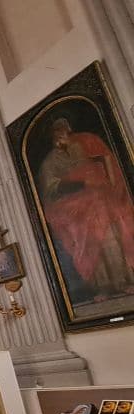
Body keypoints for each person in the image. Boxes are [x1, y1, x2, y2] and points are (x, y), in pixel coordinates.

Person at [37, 117, 134, 300]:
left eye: (64, 130)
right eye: (57, 131)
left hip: (102, 203)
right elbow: (51, 188)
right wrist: (81, 183)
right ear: (52, 136)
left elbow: (103, 161)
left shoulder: (82, 146)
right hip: (78, 213)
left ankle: (123, 282)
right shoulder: (49, 162)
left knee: (111, 240)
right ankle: (103, 287)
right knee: (91, 246)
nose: (61, 134)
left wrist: (107, 183)